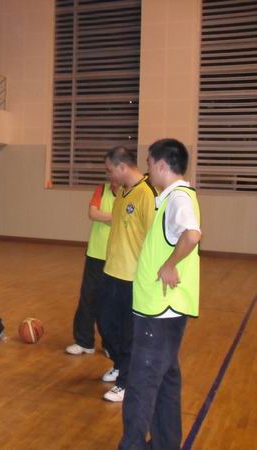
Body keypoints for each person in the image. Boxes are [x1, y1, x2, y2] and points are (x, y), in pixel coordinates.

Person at [119, 139, 201, 450]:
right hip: (166, 309)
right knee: (166, 380)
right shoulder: (176, 197)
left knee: (141, 385)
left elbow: (192, 235)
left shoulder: (178, 198)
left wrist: (169, 264)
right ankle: (166, 443)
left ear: (163, 165)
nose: (148, 171)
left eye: (150, 164)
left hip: (159, 311)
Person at [98, 147, 157, 402]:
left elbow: (154, 240)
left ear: (122, 167)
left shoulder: (147, 194)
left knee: (128, 332)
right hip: (111, 271)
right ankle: (120, 363)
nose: (108, 175)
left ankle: (126, 381)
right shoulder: (122, 192)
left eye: (110, 170)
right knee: (105, 324)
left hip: (133, 278)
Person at [65, 180, 119, 356]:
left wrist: (106, 216)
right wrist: (114, 217)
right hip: (95, 255)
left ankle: (111, 344)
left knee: (111, 303)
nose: (111, 177)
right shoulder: (101, 190)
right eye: (108, 172)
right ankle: (84, 341)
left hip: (117, 257)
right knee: (87, 299)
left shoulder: (131, 193)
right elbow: (92, 213)